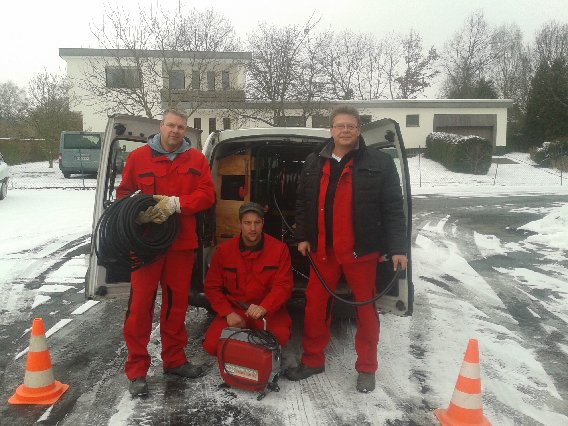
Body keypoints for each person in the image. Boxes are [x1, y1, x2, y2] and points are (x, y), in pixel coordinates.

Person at [285, 105, 407, 393]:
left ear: (358, 129)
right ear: (331, 129)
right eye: (340, 126)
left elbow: (393, 208)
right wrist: (302, 236)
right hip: (322, 251)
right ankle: (313, 359)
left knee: (365, 311)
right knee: (315, 306)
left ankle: (367, 367)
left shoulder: (379, 163)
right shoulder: (314, 162)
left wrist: (398, 247)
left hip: (361, 252)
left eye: (351, 126)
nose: (345, 131)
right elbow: (302, 203)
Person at [116, 108, 215, 396]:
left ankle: (174, 360)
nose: (175, 131)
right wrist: (139, 214)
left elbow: (207, 194)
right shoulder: (138, 158)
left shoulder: (196, 159)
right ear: (161, 126)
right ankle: (137, 370)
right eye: (171, 125)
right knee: (140, 307)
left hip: (181, 246)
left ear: (185, 130)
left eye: (181, 127)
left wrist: (177, 204)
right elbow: (124, 195)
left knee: (175, 306)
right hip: (145, 246)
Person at [202, 202, 293, 356]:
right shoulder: (224, 251)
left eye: (257, 223)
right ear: (240, 223)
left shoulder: (279, 250)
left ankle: (245, 349)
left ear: (263, 223)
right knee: (211, 346)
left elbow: (283, 286)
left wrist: (264, 307)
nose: (252, 228)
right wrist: (227, 313)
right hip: (236, 310)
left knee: (280, 338)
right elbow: (212, 287)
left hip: (266, 311)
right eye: (247, 223)